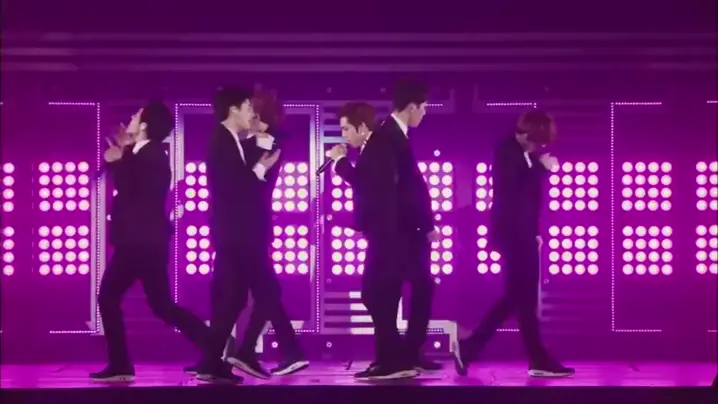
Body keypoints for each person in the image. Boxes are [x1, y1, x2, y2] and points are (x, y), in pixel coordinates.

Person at [91, 101, 211, 382]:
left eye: (136, 115)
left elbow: (136, 190)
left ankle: (121, 365)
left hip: (141, 243)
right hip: (142, 242)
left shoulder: (153, 154)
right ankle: (213, 345)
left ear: (144, 125)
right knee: (161, 306)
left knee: (109, 297)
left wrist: (119, 159)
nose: (131, 118)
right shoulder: (140, 153)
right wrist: (120, 156)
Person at [452, 110, 575, 378]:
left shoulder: (523, 153)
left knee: (520, 299)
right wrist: (541, 168)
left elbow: (529, 199)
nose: (538, 148)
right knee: (518, 298)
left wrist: (535, 231)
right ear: (526, 135)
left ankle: (528, 357)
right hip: (512, 235)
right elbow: (512, 194)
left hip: (523, 234)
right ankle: (480, 349)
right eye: (537, 142)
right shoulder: (506, 152)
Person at [327, 101, 442, 380]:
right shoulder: (373, 147)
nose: (344, 135)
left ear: (362, 127)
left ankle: (395, 359)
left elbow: (370, 186)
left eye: (346, 129)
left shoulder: (377, 147)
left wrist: (340, 164)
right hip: (384, 234)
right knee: (381, 297)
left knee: (375, 294)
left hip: (387, 236)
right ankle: (390, 358)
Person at [196, 86, 295, 384]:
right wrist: (260, 169)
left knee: (235, 299)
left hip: (237, 232)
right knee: (260, 292)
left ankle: (213, 362)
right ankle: (242, 355)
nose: (251, 114)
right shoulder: (222, 139)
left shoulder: (229, 140)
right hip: (236, 233)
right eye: (248, 108)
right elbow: (234, 188)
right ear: (235, 109)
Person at [223, 88, 308, 379]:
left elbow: (245, 182)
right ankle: (272, 350)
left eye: (252, 112)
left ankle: (255, 350)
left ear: (260, 117)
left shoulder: (264, 143)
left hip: (251, 227)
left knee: (265, 290)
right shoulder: (263, 141)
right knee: (265, 290)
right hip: (252, 227)